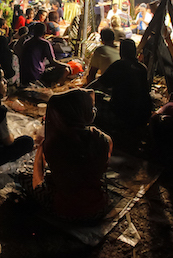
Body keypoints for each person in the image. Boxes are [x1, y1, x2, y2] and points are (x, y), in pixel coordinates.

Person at [29, 88, 113, 222]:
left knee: (25, 173)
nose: (94, 111)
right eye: (91, 108)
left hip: (63, 211)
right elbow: (100, 169)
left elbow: (53, 174)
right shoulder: (102, 139)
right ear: (78, 113)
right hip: (98, 208)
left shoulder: (52, 143)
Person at [87, 38, 152, 133]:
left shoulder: (119, 65)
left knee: (95, 100)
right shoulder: (142, 68)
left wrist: (85, 90)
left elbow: (98, 83)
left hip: (123, 113)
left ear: (121, 52)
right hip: (142, 114)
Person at [19, 22, 69, 87]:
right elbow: (52, 61)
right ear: (44, 32)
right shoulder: (45, 43)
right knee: (65, 69)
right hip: (38, 76)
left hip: (25, 77)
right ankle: (56, 88)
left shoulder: (26, 42)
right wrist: (66, 65)